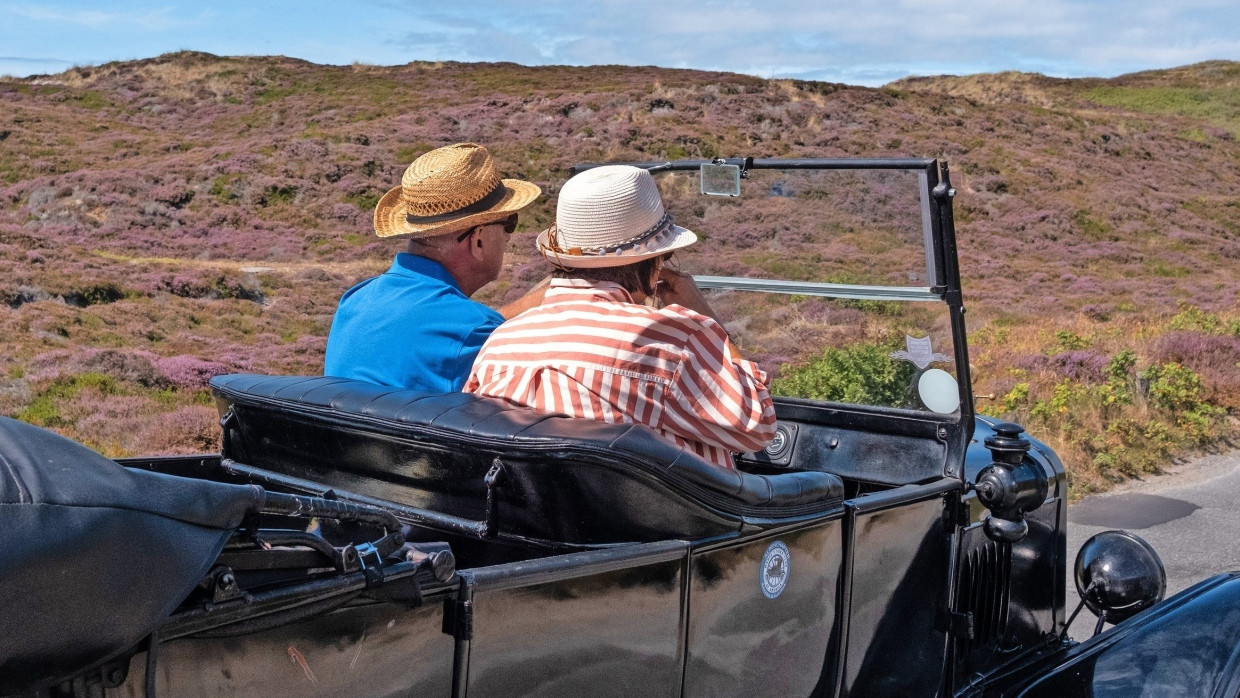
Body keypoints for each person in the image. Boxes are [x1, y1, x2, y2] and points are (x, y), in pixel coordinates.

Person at [465, 165, 776, 468]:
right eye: (664, 256)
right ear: (652, 264)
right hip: (661, 519)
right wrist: (706, 318)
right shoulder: (665, 343)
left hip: (532, 518)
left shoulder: (501, 344)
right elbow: (758, 425)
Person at [324, 143, 545, 392]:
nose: (508, 237)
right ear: (478, 239)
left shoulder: (354, 300)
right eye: (509, 222)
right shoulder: (473, 332)